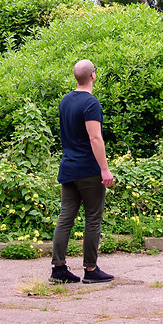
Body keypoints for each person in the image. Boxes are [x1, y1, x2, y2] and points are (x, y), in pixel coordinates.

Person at [50, 59, 115, 284]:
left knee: (65, 217)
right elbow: (94, 137)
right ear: (93, 76)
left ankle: (58, 269)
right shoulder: (91, 103)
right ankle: (90, 269)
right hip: (88, 169)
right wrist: (104, 170)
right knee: (93, 219)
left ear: (76, 77)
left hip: (68, 167)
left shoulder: (65, 101)